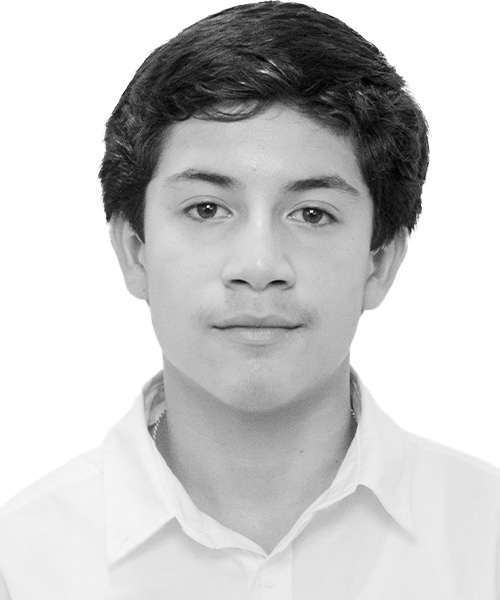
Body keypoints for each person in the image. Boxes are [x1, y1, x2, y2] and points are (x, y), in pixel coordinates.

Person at [0, 1, 498, 597]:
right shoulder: (22, 564)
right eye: (207, 209)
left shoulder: (485, 542)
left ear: (380, 260)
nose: (259, 267)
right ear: (135, 250)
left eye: (312, 214)